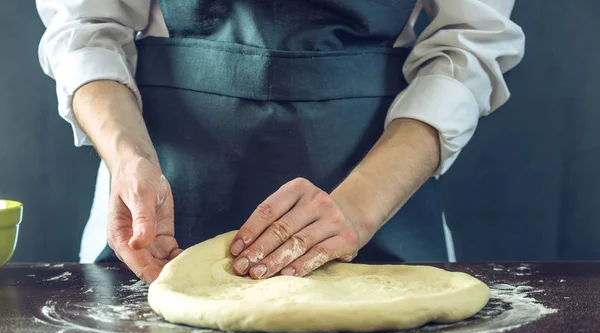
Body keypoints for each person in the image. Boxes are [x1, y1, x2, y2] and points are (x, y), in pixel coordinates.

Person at [36, 0, 524, 283]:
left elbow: (468, 41)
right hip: (166, 205)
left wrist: (358, 207)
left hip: (380, 208)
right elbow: (86, 28)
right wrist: (128, 157)